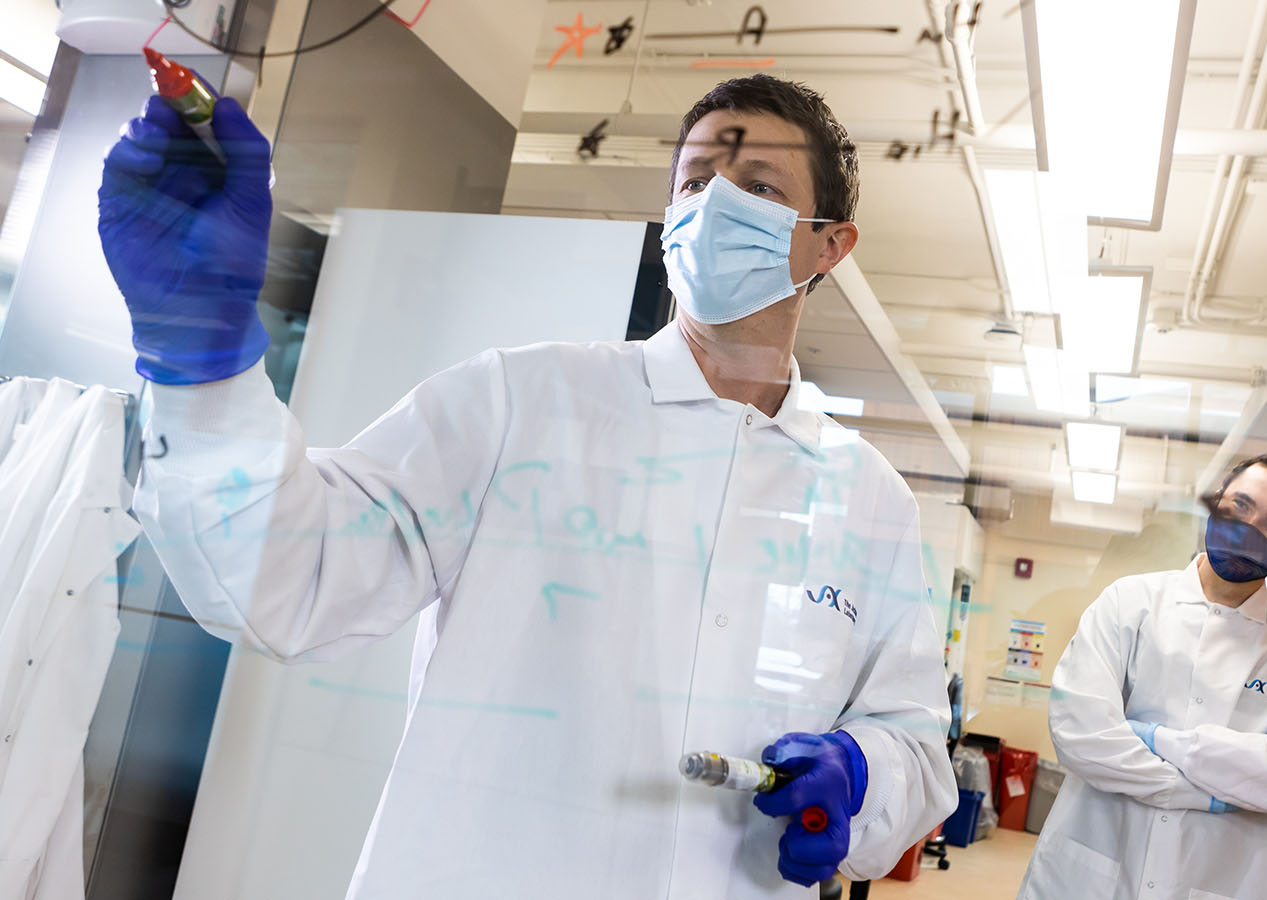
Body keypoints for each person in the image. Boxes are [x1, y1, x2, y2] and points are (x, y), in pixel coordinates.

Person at [97, 74, 957, 898]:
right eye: (696, 181)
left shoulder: (870, 500)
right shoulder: (519, 401)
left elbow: (914, 747)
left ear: (830, 243)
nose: (715, 206)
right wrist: (197, 362)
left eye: (759, 188)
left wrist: (862, 775)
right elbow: (290, 576)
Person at [1017, 453, 1267, 900]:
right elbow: (1082, 736)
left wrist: (1150, 737)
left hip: (1219, 882)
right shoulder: (1128, 602)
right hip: (1088, 872)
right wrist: (1223, 789)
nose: (1248, 527)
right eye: (1240, 506)